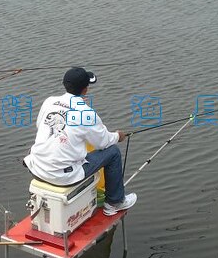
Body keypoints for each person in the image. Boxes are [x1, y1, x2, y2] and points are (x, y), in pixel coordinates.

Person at [24, 68, 137, 217]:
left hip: (36, 168)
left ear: (65, 84)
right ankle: (114, 203)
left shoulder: (49, 102)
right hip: (63, 176)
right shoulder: (86, 113)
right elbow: (103, 143)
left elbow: (40, 125)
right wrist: (118, 136)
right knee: (113, 152)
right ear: (85, 89)